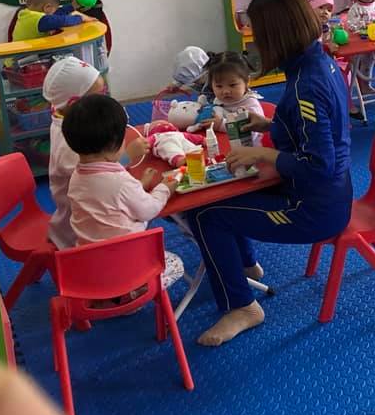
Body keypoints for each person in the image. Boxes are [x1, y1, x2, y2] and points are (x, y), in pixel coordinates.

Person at [189, 0, 353, 347]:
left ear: (275, 35)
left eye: (259, 34)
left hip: (313, 208)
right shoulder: (317, 61)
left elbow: (318, 165)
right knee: (219, 198)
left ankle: (243, 307)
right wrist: (268, 125)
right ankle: (244, 265)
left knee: (205, 215)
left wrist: (262, 154)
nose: (256, 43)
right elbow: (316, 128)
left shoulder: (306, 84)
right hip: (327, 193)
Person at [61, 95, 183, 289]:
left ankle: (113, 293)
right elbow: (149, 210)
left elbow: (109, 199)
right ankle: (135, 292)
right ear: (114, 143)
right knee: (176, 264)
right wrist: (165, 188)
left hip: (92, 267)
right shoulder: (120, 182)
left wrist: (139, 185)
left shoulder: (77, 177)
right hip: (127, 268)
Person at [43, 56, 118, 249]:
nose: (104, 99)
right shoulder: (69, 145)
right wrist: (128, 155)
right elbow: (102, 178)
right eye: (99, 95)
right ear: (76, 104)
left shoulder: (67, 119)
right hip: (80, 236)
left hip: (83, 216)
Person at [206, 52, 265, 139]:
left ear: (247, 81)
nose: (225, 91)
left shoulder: (250, 104)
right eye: (219, 86)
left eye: (232, 85)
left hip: (248, 147)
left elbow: (252, 132)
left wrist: (221, 124)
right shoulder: (218, 101)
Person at [11, 0, 92, 42]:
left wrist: (72, 7)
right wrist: (81, 18)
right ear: (47, 7)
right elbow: (63, 21)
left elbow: (56, 13)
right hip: (21, 60)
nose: (54, 13)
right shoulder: (39, 20)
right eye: (53, 10)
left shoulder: (27, 14)